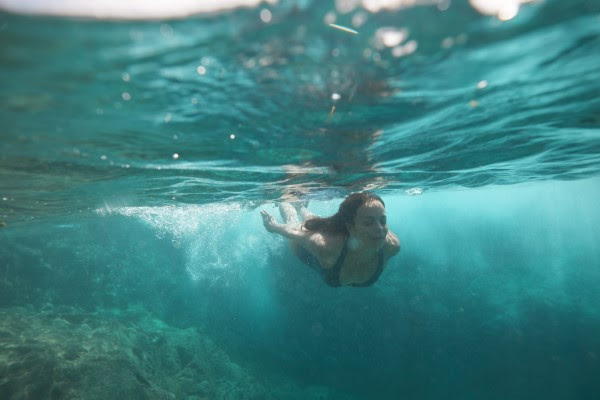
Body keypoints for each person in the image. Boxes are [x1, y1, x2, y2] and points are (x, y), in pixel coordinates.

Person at [260, 192, 400, 287]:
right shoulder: (327, 247)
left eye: (383, 220)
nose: (380, 229)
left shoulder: (392, 246)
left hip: (333, 245)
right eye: (368, 222)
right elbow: (292, 231)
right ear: (350, 228)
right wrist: (273, 227)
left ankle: (302, 206)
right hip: (303, 249)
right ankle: (285, 198)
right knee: (294, 221)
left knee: (313, 219)